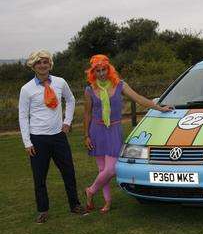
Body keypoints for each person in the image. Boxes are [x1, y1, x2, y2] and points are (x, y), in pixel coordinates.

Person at [84, 54, 172, 213]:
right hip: (96, 131)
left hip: (114, 129)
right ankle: (108, 202)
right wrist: (86, 135)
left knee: (111, 169)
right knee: (102, 169)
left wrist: (159, 108)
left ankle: (90, 191)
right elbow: (87, 114)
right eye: (98, 71)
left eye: (104, 69)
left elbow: (139, 99)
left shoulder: (119, 85)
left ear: (109, 69)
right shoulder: (89, 90)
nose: (102, 73)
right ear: (93, 72)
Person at [18, 50, 86, 224]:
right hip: (37, 139)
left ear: (50, 64)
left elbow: (70, 100)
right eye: (39, 62)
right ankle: (42, 210)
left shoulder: (60, 82)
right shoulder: (26, 89)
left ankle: (75, 205)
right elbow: (23, 116)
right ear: (33, 66)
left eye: (45, 62)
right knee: (39, 177)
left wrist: (67, 121)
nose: (42, 65)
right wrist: (27, 142)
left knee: (69, 172)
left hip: (58, 137)